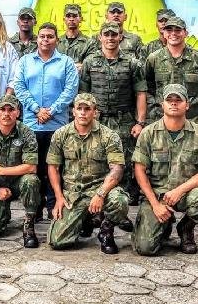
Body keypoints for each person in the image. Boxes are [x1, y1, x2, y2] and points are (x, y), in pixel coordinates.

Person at [131, 84, 198, 255]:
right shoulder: (148, 133)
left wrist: (179, 191)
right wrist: (155, 204)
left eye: (179, 100)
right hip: (156, 196)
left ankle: (186, 228)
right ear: (162, 105)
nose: (174, 103)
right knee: (145, 248)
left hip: (186, 194)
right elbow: (139, 171)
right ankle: (164, 224)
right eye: (169, 100)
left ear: (187, 105)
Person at [79, 21, 148, 227]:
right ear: (100, 37)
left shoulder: (132, 63)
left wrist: (140, 122)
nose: (110, 38)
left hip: (123, 120)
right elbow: (83, 95)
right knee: (95, 163)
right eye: (106, 34)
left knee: (124, 166)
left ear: (120, 37)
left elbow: (141, 92)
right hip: (97, 120)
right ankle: (95, 211)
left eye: (114, 34)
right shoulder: (90, 63)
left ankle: (119, 212)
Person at [46, 93, 129, 254]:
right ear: (73, 112)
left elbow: (117, 169)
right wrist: (59, 197)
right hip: (73, 193)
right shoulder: (61, 134)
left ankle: (106, 230)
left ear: (95, 112)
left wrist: (101, 194)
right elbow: (53, 167)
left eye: (87, 109)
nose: (83, 112)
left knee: (120, 201)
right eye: (79, 108)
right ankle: (85, 221)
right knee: (57, 241)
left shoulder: (109, 136)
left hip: (99, 190)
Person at [12, 22, 79, 218]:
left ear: (56, 39)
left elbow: (70, 90)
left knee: (55, 167)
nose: (45, 40)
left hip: (57, 125)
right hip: (32, 125)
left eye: (50, 36)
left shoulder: (66, 62)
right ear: (37, 39)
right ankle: (35, 209)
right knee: (35, 168)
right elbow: (19, 87)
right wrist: (36, 109)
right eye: (42, 36)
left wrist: (51, 110)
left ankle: (53, 206)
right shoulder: (25, 61)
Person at [0, 93, 40, 248]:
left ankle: (29, 226)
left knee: (31, 180)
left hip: (18, 181)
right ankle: (3, 211)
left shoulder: (26, 133)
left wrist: (2, 171)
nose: (6, 113)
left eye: (11, 110)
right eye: (2, 109)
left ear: (18, 112)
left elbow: (31, 167)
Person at [57, 3, 97, 70]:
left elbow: (92, 63)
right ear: (64, 19)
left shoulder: (89, 43)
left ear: (81, 19)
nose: (71, 19)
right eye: (68, 16)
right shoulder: (57, 42)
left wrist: (83, 66)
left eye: (75, 16)